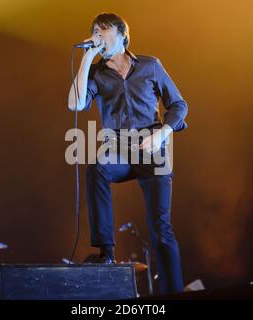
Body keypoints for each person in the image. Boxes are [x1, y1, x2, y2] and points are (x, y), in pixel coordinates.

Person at [68, 13, 188, 294]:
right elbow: (75, 104)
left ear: (122, 35)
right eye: (94, 30)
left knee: (161, 228)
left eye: (104, 30)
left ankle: (174, 291)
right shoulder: (97, 73)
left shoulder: (150, 65)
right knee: (97, 168)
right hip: (119, 149)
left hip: (152, 147)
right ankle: (106, 251)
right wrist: (87, 58)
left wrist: (162, 134)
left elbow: (179, 105)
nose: (98, 34)